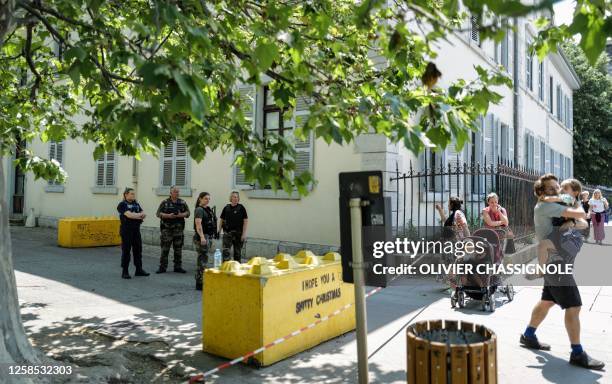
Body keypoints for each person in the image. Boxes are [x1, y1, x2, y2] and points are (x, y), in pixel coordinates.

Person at [520, 173, 604, 370]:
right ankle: (577, 352)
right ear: (541, 193)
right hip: (557, 264)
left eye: (559, 187)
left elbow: (582, 223)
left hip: (556, 262)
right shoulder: (549, 205)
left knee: (547, 301)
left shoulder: (553, 205)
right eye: (551, 188)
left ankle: (528, 335)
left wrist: (573, 221)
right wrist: (574, 216)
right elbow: (582, 217)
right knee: (573, 306)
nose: (557, 191)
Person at [527, 179, 587, 280]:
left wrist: (572, 223)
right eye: (561, 187)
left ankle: (542, 271)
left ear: (575, 192)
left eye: (565, 188)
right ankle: (544, 271)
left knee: (544, 247)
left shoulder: (572, 201)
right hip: (557, 234)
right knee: (543, 247)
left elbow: (583, 223)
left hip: (565, 236)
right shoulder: (562, 200)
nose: (561, 189)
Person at [156, 186, 190, 273]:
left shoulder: (182, 202)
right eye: (175, 191)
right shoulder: (165, 202)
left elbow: (188, 213)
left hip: (178, 230)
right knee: (165, 249)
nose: (177, 193)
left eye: (178, 192)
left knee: (178, 249)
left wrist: (180, 215)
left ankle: (178, 267)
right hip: (167, 230)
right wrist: (167, 215)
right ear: (170, 193)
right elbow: (158, 213)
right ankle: (162, 267)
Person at [117, 188, 149, 279]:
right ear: (126, 195)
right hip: (126, 231)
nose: (133, 195)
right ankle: (125, 271)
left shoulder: (136, 204)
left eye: (134, 194)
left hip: (136, 230)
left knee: (138, 250)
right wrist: (138, 216)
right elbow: (128, 215)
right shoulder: (122, 204)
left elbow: (143, 213)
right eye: (131, 194)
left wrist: (137, 215)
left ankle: (139, 270)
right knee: (126, 251)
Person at [193, 192, 217, 291]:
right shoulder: (199, 209)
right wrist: (202, 237)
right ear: (200, 199)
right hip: (202, 237)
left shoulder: (207, 209)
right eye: (205, 198)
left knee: (204, 259)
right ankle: (199, 283)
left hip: (208, 236)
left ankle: (201, 281)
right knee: (202, 261)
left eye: (208, 199)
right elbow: (198, 224)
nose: (207, 200)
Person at [219, 191, 248, 262]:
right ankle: (226, 269)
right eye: (234, 197)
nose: (236, 198)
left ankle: (237, 270)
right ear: (231, 198)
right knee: (226, 253)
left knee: (237, 254)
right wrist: (219, 231)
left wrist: (244, 234)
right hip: (227, 234)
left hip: (238, 234)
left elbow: (245, 221)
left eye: (237, 197)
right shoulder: (226, 208)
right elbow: (221, 220)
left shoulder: (241, 208)